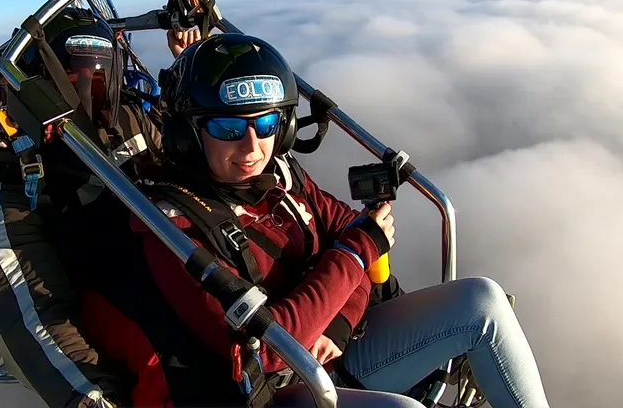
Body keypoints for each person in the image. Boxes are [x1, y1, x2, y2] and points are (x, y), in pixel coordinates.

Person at [110, 32, 551, 407]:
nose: (251, 148)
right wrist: (356, 254)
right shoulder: (172, 228)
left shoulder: (280, 176)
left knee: (483, 302)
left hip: (332, 349)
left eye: (265, 124)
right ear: (188, 135)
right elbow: (266, 350)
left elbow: (355, 235)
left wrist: (339, 321)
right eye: (227, 129)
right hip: (275, 392)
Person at [0, 7, 168, 408]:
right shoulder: (23, 180)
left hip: (181, 276)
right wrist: (91, 395)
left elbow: (199, 173)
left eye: (98, 79)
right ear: (37, 92)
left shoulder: (133, 124)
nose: (86, 92)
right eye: (69, 81)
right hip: (125, 315)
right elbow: (31, 306)